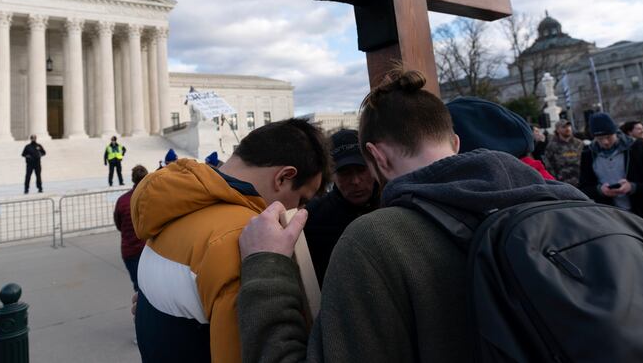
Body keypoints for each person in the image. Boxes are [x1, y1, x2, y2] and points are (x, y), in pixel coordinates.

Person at [236, 70, 586, 362]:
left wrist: (265, 267)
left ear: (378, 157)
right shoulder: (575, 205)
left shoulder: (375, 240)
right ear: (455, 142)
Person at [131, 118, 331, 363]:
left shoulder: (167, 212)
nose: (297, 211)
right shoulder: (245, 240)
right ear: (283, 178)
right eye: (301, 200)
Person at [303, 129, 378, 286]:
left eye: (361, 169)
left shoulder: (396, 205)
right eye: (345, 173)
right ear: (331, 175)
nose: (356, 181)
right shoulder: (311, 218)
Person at [580, 112, 643, 232]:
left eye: (609, 137)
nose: (605, 142)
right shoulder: (588, 155)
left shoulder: (638, 148)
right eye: (600, 139)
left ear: (616, 133)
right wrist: (600, 190)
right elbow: (584, 188)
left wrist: (633, 187)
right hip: (612, 220)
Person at [114, 165, 148, 292]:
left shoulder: (122, 200)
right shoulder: (151, 198)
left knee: (139, 288)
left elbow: (119, 224)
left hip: (129, 251)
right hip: (147, 250)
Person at [544, 119, 585, 186]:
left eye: (569, 126)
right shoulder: (552, 146)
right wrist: (555, 181)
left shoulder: (579, 143)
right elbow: (549, 165)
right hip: (563, 183)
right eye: (564, 127)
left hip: (581, 182)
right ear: (557, 130)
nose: (567, 129)